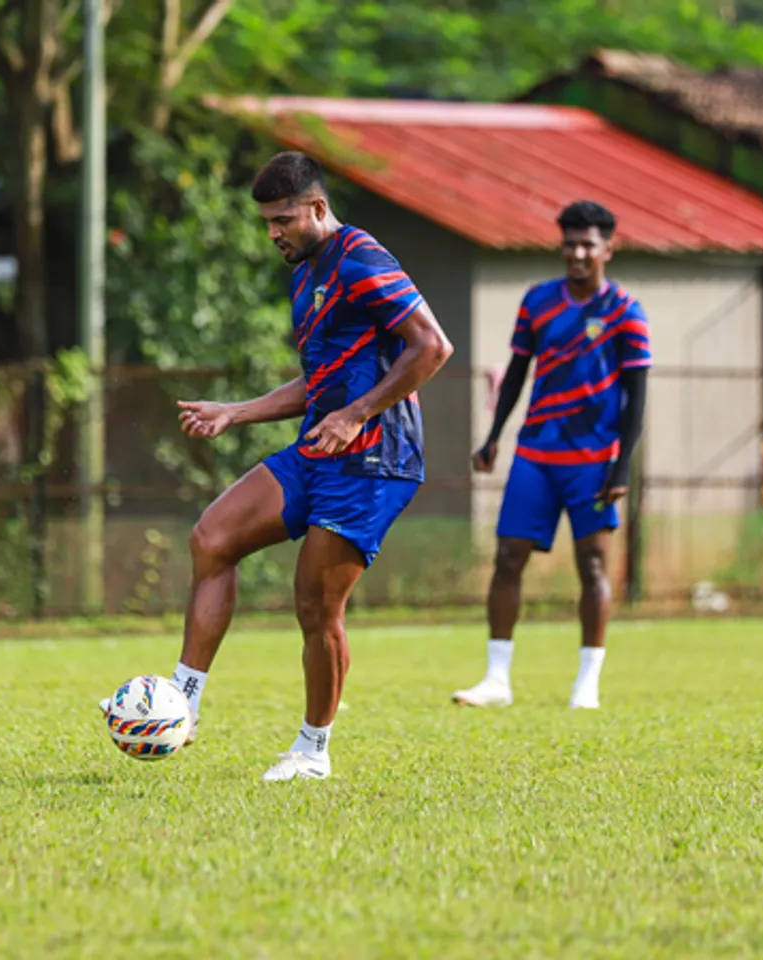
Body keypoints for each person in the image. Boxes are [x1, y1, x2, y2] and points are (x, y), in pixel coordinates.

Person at [119, 150, 453, 781]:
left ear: (317, 208)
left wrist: (358, 413)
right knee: (213, 537)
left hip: (375, 460)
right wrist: (235, 413)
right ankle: (181, 707)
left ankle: (312, 751)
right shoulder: (304, 273)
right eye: (267, 222)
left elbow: (432, 346)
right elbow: (318, 380)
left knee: (314, 607)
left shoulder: (362, 259)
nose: (273, 232)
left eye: (283, 219)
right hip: (317, 449)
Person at [452, 200, 651, 711]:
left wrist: (622, 463)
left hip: (593, 460)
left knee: (592, 567)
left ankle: (587, 683)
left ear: (609, 248)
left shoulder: (626, 312)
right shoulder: (538, 301)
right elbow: (517, 373)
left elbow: (637, 397)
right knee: (508, 559)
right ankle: (497, 679)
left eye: (588, 244)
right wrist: (494, 434)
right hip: (536, 455)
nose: (578, 252)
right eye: (570, 243)